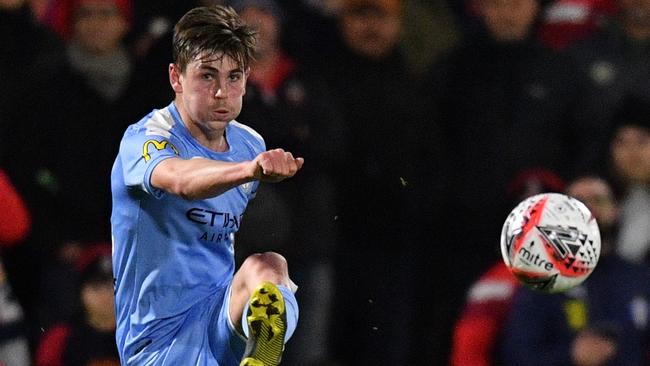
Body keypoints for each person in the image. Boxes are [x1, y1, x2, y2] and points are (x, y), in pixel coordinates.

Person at [111, 5, 302, 366]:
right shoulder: (145, 139)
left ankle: (262, 354)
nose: (220, 92)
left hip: (217, 326)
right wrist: (247, 171)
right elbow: (182, 179)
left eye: (233, 77)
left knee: (269, 268)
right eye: (207, 76)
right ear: (176, 77)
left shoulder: (249, 144)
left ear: (247, 79)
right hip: (157, 344)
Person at [500, 175, 650, 365]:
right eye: (578, 203)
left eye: (599, 200)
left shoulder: (640, 277)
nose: (589, 209)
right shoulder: (541, 280)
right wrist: (570, 356)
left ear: (615, 210)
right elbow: (517, 356)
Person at [35, 246, 120, 366]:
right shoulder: (60, 339)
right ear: (81, 291)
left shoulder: (144, 335)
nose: (106, 295)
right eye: (96, 288)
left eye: (113, 287)